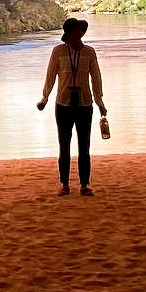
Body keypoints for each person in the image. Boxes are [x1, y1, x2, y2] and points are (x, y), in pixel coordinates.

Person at [37, 17, 105, 196]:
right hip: (63, 104)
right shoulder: (58, 51)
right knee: (64, 145)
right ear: (68, 35)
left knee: (84, 146)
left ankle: (84, 184)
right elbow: (50, 75)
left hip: (84, 104)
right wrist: (44, 98)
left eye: (81, 32)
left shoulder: (89, 52)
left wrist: (100, 102)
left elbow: (96, 77)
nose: (79, 35)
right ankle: (64, 185)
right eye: (76, 32)